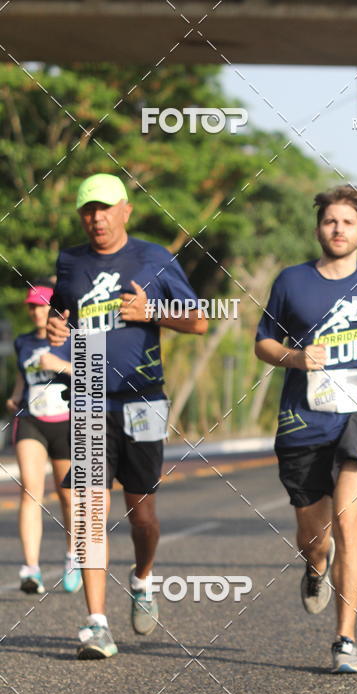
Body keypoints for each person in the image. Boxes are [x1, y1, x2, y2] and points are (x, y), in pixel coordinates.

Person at [47, 173, 207, 659]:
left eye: (103, 208)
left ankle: (142, 579)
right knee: (92, 511)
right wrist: (57, 327)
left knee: (142, 513)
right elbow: (62, 314)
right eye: (87, 211)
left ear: (124, 210)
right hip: (91, 397)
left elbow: (198, 321)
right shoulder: (70, 261)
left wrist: (151, 311)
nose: (95, 218)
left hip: (143, 402)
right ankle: (96, 624)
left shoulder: (153, 257)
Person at [255, 184, 357, 673]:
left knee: (349, 522)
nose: (338, 228)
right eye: (330, 221)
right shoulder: (291, 281)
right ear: (319, 228)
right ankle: (315, 563)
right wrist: (296, 357)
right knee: (314, 533)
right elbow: (263, 343)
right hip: (302, 422)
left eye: (347, 222)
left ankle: (345, 639)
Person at [7, 285, 81, 595]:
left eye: (41, 306)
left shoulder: (71, 338)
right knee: (30, 491)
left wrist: (60, 366)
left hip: (65, 423)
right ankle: (31, 569)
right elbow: (23, 374)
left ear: (52, 309)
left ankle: (73, 557)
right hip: (31, 421)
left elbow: (95, 374)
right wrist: (14, 396)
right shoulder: (23, 342)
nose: (36, 312)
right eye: (31, 307)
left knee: (67, 496)